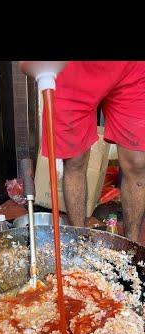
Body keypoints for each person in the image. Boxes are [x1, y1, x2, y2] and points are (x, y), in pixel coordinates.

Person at [45, 61, 145, 243]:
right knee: (74, 160)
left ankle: (132, 247)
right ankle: (79, 242)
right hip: (72, 69)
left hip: (130, 67)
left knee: (138, 163)